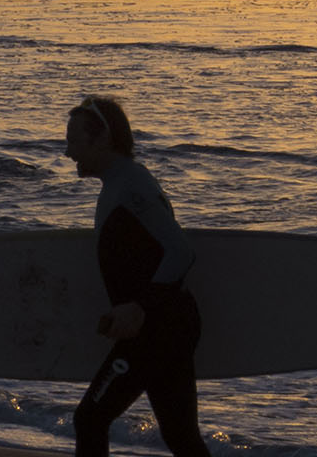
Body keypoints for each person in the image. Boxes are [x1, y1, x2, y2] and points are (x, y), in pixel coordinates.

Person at [64, 96, 210, 457]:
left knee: (90, 418)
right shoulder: (119, 183)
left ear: (102, 140)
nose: (68, 153)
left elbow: (181, 251)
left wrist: (140, 307)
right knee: (180, 437)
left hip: (158, 331)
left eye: (74, 142)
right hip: (167, 326)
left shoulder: (133, 186)